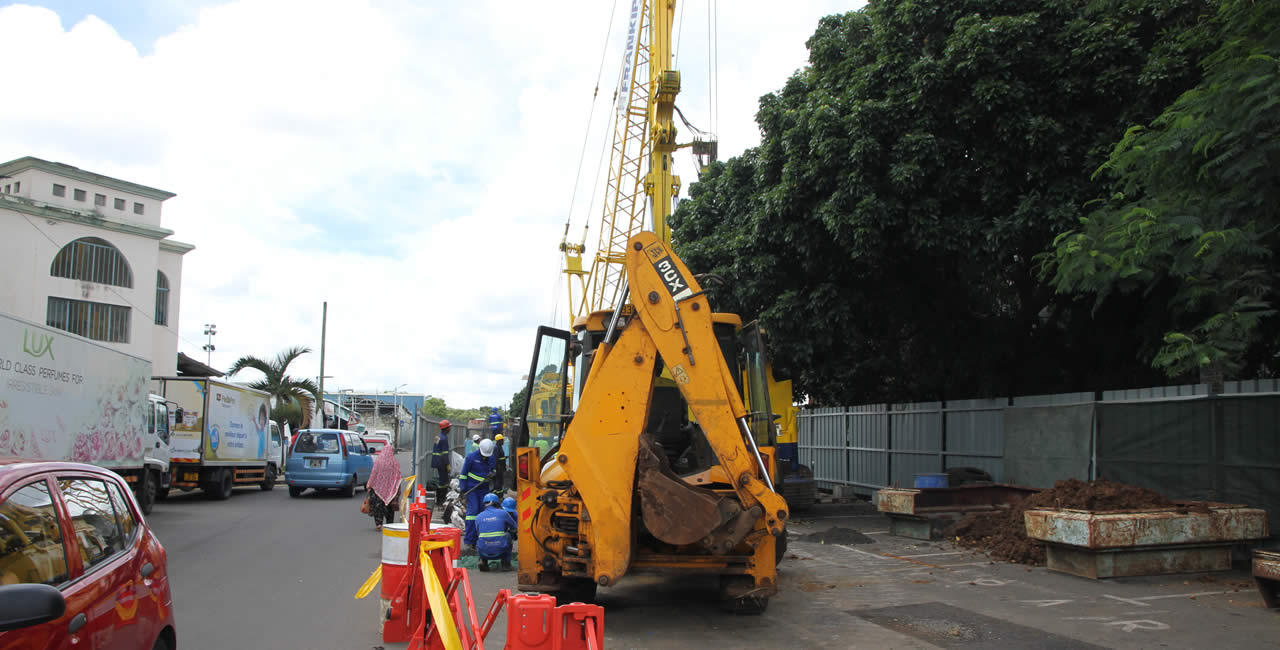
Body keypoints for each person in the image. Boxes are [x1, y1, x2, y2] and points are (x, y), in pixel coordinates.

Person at [460, 438, 496, 551]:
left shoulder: (491, 458)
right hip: (472, 489)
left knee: (483, 514)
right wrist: (463, 489)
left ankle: (480, 541)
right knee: (473, 513)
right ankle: (469, 541)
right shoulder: (471, 458)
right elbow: (463, 474)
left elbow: (493, 470)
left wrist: (492, 474)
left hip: (484, 490)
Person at [475, 493, 516, 572]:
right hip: (500, 552)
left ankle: (483, 561)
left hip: (484, 552)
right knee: (508, 535)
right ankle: (506, 563)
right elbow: (514, 527)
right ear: (497, 503)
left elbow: (478, 533)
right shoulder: (503, 513)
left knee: (481, 538)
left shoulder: (478, 517)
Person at [366, 444, 402, 530]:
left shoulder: (378, 462)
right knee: (390, 507)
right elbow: (398, 476)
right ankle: (389, 523)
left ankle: (379, 523)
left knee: (378, 506)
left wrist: (369, 485)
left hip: (378, 489)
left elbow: (373, 474)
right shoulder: (394, 463)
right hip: (391, 490)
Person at [431, 420, 452, 506]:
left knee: (441, 480)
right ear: (446, 428)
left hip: (437, 460)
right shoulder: (444, 438)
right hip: (442, 462)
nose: (450, 429)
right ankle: (441, 499)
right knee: (443, 481)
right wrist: (447, 464)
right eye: (449, 427)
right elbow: (445, 453)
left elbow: (435, 448)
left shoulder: (437, 437)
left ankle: (440, 498)